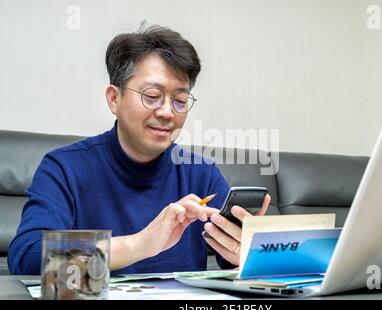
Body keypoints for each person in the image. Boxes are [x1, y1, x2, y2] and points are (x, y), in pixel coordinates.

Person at [8, 25, 270, 275]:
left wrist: (249, 253)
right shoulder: (65, 168)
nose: (168, 112)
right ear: (114, 98)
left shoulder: (200, 173)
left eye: (180, 101)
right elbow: (28, 255)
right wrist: (141, 244)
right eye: (152, 96)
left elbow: (233, 260)